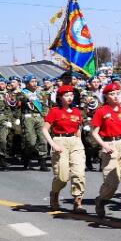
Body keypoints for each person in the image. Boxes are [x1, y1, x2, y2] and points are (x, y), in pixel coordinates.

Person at [91, 81, 121, 221]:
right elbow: (94, 132)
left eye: (118, 93)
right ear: (106, 96)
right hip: (110, 145)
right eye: (112, 94)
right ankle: (101, 200)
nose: (116, 96)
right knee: (112, 182)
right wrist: (103, 144)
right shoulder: (101, 111)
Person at [42, 84, 85, 212]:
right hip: (59, 141)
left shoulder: (77, 111)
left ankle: (78, 200)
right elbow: (44, 129)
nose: (69, 97)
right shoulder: (55, 111)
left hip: (75, 142)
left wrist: (80, 143)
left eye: (71, 95)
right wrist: (53, 144)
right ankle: (54, 193)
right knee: (62, 177)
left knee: (79, 173)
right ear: (60, 97)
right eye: (66, 95)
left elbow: (78, 129)